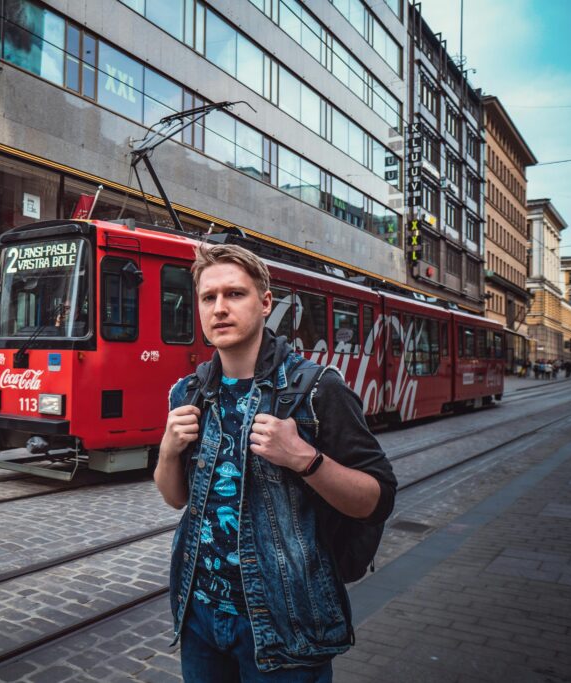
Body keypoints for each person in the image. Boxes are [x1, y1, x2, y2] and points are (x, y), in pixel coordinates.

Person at [155, 244, 396, 681]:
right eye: (209, 298)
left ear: (265, 303)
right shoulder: (188, 393)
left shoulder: (318, 391)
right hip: (200, 618)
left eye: (235, 294)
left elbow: (376, 501)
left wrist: (305, 459)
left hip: (286, 623)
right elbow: (176, 500)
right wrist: (168, 451)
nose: (220, 308)